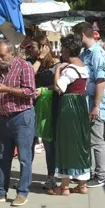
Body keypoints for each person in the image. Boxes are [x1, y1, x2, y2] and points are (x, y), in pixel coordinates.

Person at [0, 40, 36, 207]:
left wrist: (8, 90)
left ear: (12, 53)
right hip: (4, 117)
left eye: (2, 55)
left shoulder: (24, 66)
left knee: (24, 157)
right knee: (3, 155)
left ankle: (23, 192)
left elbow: (30, 91)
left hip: (22, 116)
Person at [49, 34, 91, 196]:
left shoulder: (69, 70)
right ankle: (82, 184)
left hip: (69, 105)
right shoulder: (83, 66)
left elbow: (59, 87)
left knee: (66, 143)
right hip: (81, 104)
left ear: (67, 50)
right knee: (80, 142)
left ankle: (64, 186)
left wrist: (58, 69)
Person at [72, 22, 105, 188]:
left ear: (81, 35)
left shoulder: (97, 54)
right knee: (87, 141)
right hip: (85, 104)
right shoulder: (85, 54)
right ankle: (86, 173)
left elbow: (101, 81)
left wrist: (96, 105)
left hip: (94, 106)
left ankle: (100, 176)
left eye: (75, 36)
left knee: (96, 141)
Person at [26, 36, 61, 190]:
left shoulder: (57, 64)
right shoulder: (32, 63)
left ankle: (51, 176)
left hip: (50, 105)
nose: (30, 51)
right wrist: (38, 59)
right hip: (32, 105)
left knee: (49, 142)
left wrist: (44, 90)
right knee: (29, 141)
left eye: (32, 47)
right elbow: (28, 75)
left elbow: (59, 85)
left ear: (43, 47)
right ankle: (25, 177)